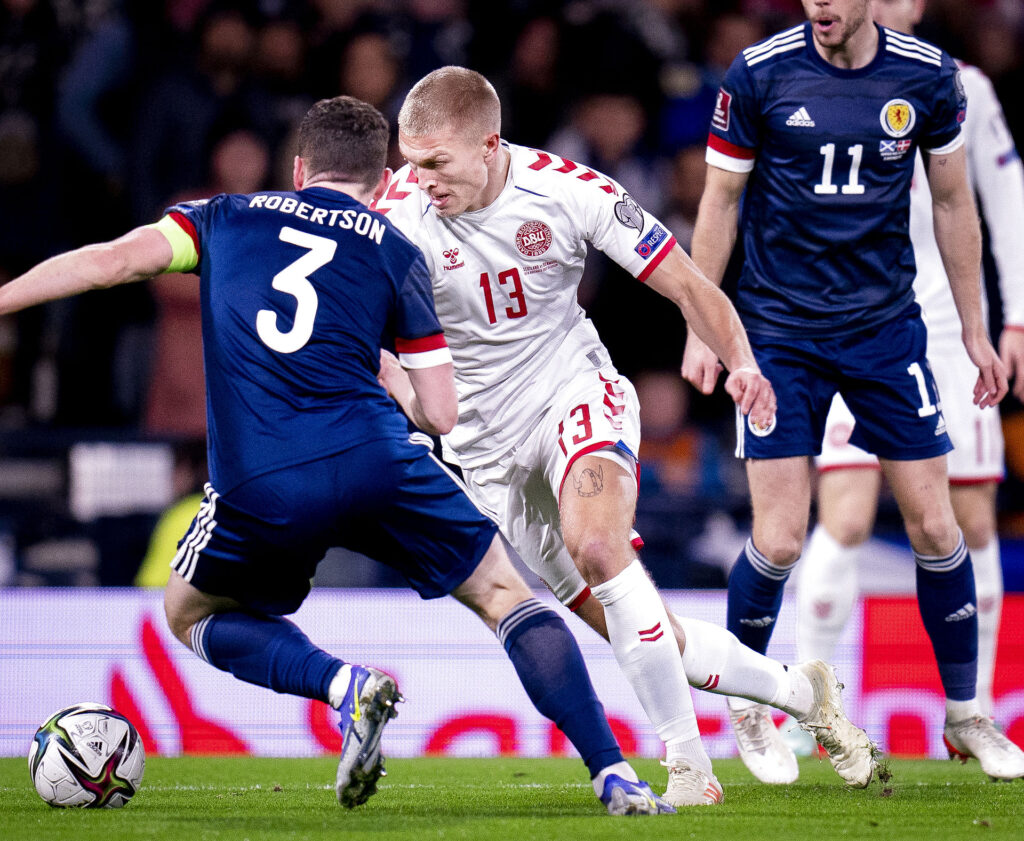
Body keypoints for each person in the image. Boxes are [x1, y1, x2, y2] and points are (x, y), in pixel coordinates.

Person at [0, 96, 676, 817]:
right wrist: (392, 382)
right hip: (377, 459)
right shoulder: (395, 250)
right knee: (507, 596)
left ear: (298, 169)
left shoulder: (223, 217)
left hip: (263, 477)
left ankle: (341, 685)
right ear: (385, 179)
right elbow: (441, 412)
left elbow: (109, 264)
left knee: (189, 611)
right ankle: (615, 774)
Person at [373, 66, 875, 804]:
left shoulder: (569, 190)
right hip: (484, 448)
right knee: (642, 630)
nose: (422, 179)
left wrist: (741, 363)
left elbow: (687, 286)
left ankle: (684, 760)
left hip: (573, 394)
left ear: (488, 144)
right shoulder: (396, 214)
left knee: (602, 548)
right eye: (411, 162)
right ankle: (803, 693)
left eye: (436, 163)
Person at [683, 0, 1024, 784]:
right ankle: (749, 703)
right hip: (778, 333)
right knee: (779, 538)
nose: (821, 6)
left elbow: (952, 203)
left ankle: (968, 715)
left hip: (886, 332)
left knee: (939, 526)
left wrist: (976, 329)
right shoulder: (759, 73)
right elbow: (720, 201)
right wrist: (705, 325)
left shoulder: (931, 76)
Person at [795, 0, 1024, 747]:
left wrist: (1012, 318)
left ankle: (974, 713)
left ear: (914, 5)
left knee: (970, 522)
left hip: (952, 332)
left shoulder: (964, 86)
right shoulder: (804, 81)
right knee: (848, 515)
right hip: (852, 325)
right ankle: (810, 713)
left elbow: (1006, 205)